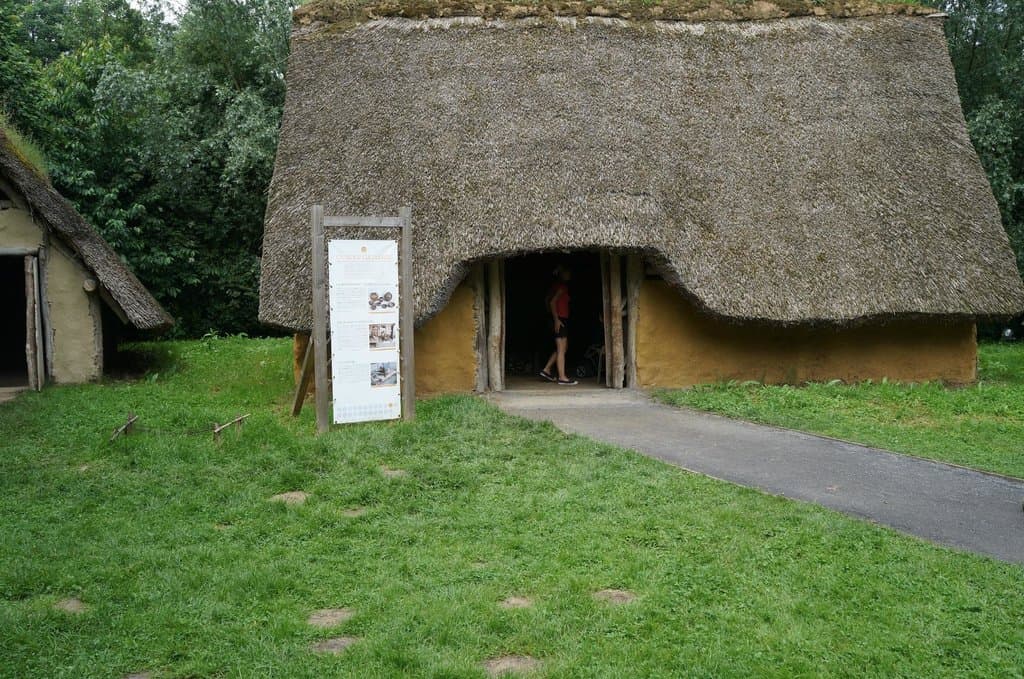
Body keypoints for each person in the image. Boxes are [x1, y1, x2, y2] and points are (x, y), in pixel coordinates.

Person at [540, 265, 578, 385]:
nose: (569, 274)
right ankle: (562, 377)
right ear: (562, 274)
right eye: (567, 272)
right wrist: (556, 320)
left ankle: (547, 369)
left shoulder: (556, 287)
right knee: (562, 349)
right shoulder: (561, 287)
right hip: (560, 319)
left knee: (562, 348)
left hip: (560, 319)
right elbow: (551, 302)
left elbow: (547, 300)